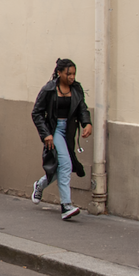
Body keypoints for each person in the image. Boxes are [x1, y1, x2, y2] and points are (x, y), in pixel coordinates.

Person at [30, 58, 92, 221]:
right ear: (59, 73)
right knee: (66, 164)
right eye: (68, 73)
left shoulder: (76, 88)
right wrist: (46, 134)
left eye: (74, 74)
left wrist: (87, 123)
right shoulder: (49, 89)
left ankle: (40, 185)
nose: (72, 77)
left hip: (68, 130)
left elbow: (82, 108)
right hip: (54, 129)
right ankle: (66, 206)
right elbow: (36, 113)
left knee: (59, 166)